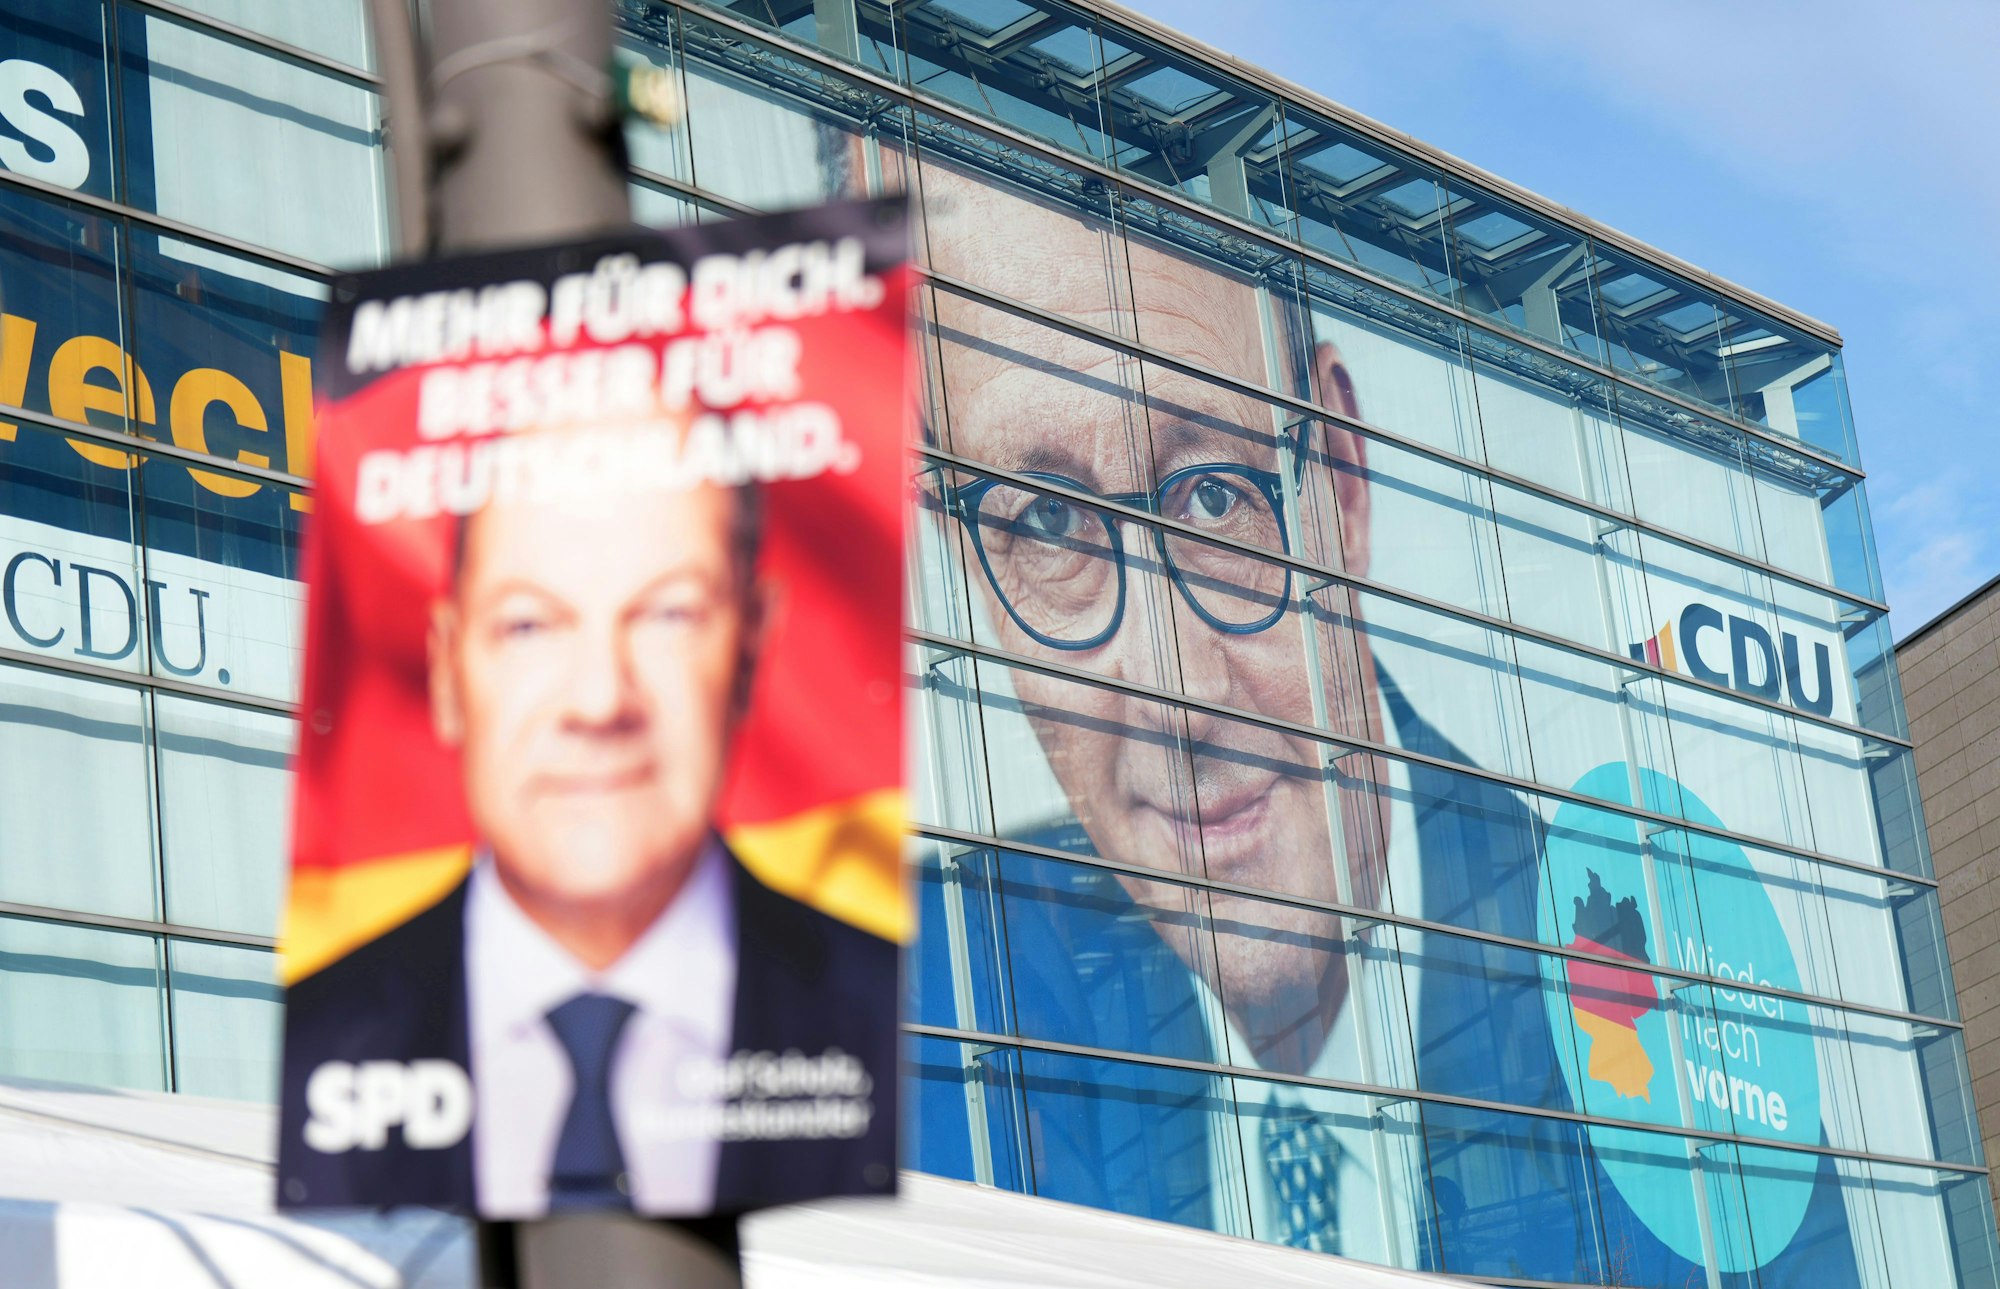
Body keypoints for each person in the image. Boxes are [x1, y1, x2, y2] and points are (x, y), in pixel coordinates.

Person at [912, 160, 1864, 1285]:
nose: (1176, 695)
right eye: (1050, 520)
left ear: (1343, 485)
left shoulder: (1661, 998)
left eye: (1214, 493)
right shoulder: (931, 999)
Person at [279, 467, 896, 1218]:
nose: (600, 700)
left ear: (750, 647)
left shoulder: (872, 1012)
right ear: (447, 667)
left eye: (668, 613)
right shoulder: (326, 1039)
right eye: (530, 625)